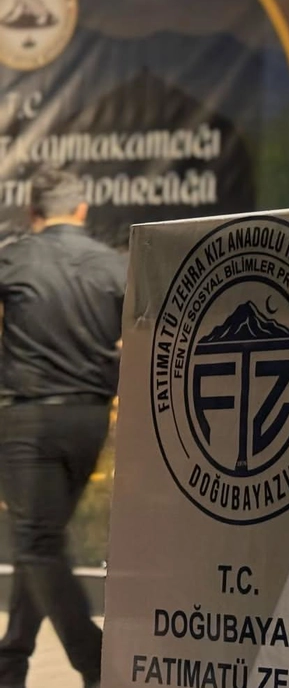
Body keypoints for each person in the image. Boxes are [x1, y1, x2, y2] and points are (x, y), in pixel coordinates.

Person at [0, 168, 126, 688]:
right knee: (42, 541)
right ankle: (10, 663)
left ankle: (95, 663)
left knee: (36, 544)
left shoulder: (14, 258)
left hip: (28, 421)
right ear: (81, 209)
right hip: (90, 421)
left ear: (32, 211)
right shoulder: (114, 265)